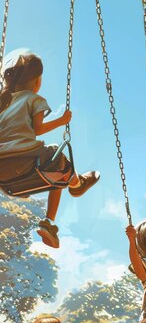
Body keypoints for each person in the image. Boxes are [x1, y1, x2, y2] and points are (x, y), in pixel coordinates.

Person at [0, 52, 100, 249]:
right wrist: (62, 121)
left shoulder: (3, 101)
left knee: (54, 173)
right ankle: (76, 185)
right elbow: (38, 129)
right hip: (26, 161)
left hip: (3, 173)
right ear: (36, 80)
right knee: (56, 158)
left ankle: (52, 221)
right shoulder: (34, 99)